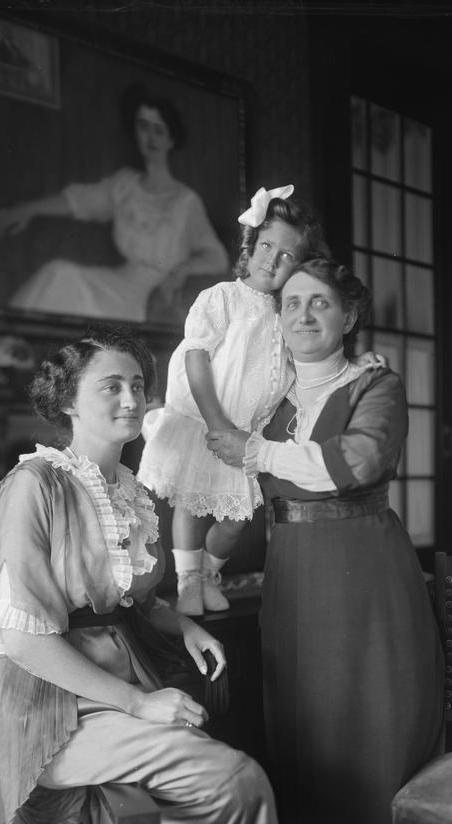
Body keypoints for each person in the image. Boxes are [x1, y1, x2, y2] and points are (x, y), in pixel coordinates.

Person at [0, 325, 302, 824]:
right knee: (236, 781)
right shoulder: (34, 486)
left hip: (125, 682)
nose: (130, 399)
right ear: (69, 400)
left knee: (214, 793)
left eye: (137, 385)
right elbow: (23, 638)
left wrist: (184, 624)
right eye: (110, 386)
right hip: (56, 705)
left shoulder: (126, 488)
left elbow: (129, 601)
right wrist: (139, 703)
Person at [207, 258, 445, 824]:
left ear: (349, 315)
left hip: (364, 575)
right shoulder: (270, 402)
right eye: (291, 303)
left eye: (320, 302)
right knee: (304, 745)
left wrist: (254, 451)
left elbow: (358, 461)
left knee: (371, 740)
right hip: (292, 579)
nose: (304, 314)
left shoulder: (376, 385)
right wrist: (198, 566)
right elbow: (242, 497)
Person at [136, 183, 330, 616]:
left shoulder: (287, 315)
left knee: (236, 520)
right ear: (251, 246)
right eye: (266, 246)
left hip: (246, 434)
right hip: (207, 421)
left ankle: (208, 572)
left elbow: (292, 371)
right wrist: (215, 420)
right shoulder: (223, 298)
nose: (271, 260)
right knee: (191, 504)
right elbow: (195, 357)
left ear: (299, 267)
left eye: (286, 256)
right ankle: (188, 581)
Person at [0, 85, 228, 323]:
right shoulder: (124, 184)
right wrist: (27, 210)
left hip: (149, 299)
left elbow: (217, 258)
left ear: (171, 139)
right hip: (117, 283)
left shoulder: (186, 201)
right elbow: (80, 200)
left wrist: (180, 272)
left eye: (159, 130)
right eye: (143, 127)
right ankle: (6, 338)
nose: (151, 137)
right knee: (58, 273)